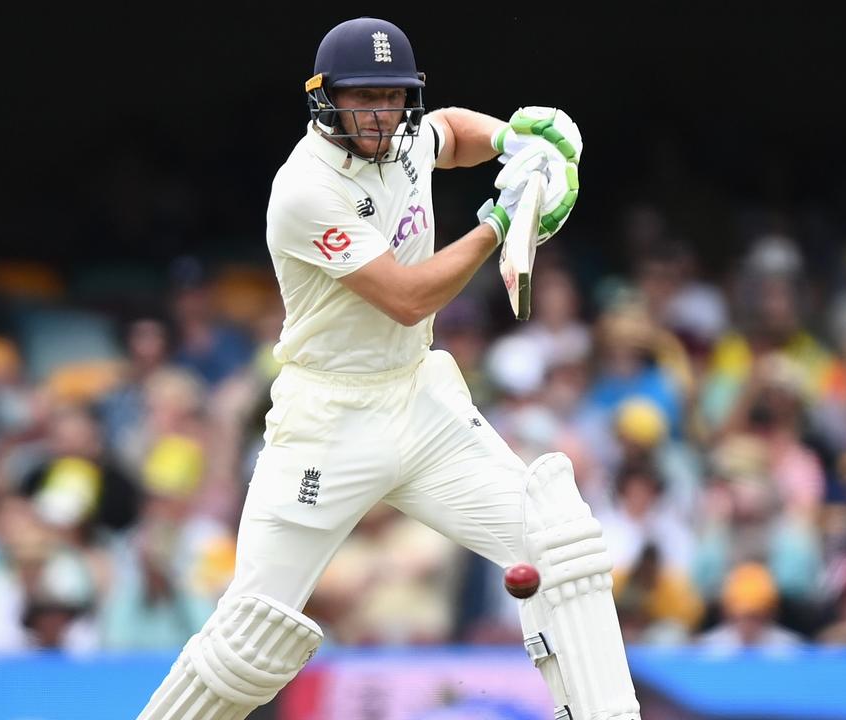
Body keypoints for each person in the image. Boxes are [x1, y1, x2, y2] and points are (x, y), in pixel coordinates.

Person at [137, 17, 640, 720]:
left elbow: (450, 132)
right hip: (328, 423)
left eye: (392, 95)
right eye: (362, 97)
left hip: (419, 401)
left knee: (560, 546)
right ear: (327, 99)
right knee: (246, 637)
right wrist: (502, 217)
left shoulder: (404, 132)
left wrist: (510, 142)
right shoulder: (305, 189)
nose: (379, 113)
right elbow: (409, 298)